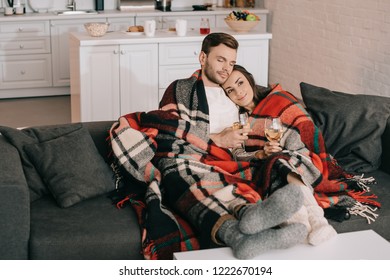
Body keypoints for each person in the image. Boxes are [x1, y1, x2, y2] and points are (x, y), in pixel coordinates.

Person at [110, 33, 308, 260]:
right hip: (185, 156)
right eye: (221, 60)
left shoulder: (232, 98)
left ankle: (250, 218)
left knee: (244, 178)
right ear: (203, 58)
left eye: (231, 62)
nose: (226, 68)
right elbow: (167, 128)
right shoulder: (182, 87)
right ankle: (242, 234)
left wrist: (256, 153)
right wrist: (215, 138)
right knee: (181, 175)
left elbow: (238, 149)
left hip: (224, 162)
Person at [221, 64, 338, 245]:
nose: (239, 92)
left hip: (297, 157)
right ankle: (305, 225)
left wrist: (281, 149)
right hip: (263, 166)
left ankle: (316, 221)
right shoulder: (236, 119)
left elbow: (302, 131)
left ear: (250, 80)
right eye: (230, 90)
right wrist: (259, 154)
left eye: (240, 83)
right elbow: (237, 154)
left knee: (280, 161)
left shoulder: (278, 99)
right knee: (275, 164)